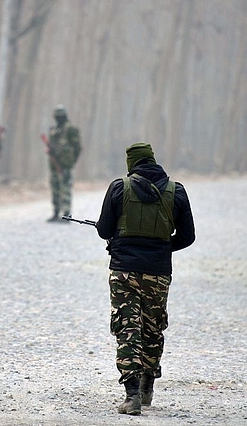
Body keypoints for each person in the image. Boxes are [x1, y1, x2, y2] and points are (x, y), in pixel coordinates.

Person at [95, 142, 195, 415]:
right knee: (153, 328)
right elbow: (188, 237)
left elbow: (104, 229)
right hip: (159, 272)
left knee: (128, 329)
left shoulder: (119, 188)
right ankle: (148, 386)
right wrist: (161, 247)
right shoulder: (177, 192)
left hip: (124, 271)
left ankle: (131, 396)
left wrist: (122, 240)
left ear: (131, 164)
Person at [44, 104, 81, 222]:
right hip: (54, 164)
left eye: (60, 116)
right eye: (57, 116)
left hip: (65, 164)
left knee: (65, 188)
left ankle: (66, 214)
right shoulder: (53, 130)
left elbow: (77, 147)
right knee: (55, 188)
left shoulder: (70, 129)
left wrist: (71, 161)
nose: (58, 118)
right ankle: (56, 212)